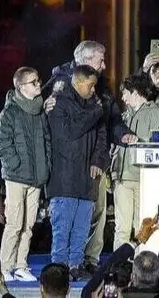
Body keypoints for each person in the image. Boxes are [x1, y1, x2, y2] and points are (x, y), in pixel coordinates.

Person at [48, 40, 137, 272]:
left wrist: (121, 137)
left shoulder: (101, 90)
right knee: (65, 222)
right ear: (85, 61)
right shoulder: (60, 84)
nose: (105, 66)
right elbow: (43, 109)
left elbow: (108, 124)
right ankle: (60, 266)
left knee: (93, 215)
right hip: (66, 169)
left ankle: (87, 261)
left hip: (94, 164)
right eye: (101, 60)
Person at [47, 65, 108, 278]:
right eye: (90, 86)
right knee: (62, 228)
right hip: (64, 177)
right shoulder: (59, 103)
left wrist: (98, 161)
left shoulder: (94, 105)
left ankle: (75, 265)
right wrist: (95, 111)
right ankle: (59, 268)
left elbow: (102, 137)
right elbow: (69, 133)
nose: (93, 90)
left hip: (88, 177)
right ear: (79, 82)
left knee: (82, 229)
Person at [0, 66, 51, 283]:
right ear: (21, 87)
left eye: (38, 81)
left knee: (28, 225)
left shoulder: (39, 111)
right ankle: (6, 266)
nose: (39, 84)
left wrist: (46, 166)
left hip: (36, 177)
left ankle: (21, 265)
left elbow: (46, 140)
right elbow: (2, 143)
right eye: (34, 82)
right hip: (17, 177)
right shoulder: (9, 112)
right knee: (14, 223)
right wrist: (15, 165)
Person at [114, 75, 159, 244]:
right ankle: (119, 265)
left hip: (143, 178)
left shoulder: (157, 114)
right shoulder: (124, 116)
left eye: (125, 93)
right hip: (122, 177)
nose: (123, 98)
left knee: (142, 226)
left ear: (136, 92)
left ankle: (142, 265)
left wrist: (140, 141)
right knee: (121, 227)